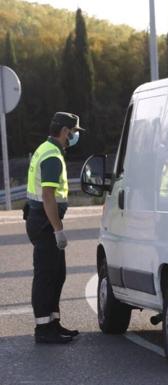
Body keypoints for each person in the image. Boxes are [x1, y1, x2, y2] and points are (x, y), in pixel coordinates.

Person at [24, 112, 84, 344]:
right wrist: (58, 230)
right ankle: (43, 329)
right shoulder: (52, 156)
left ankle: (53, 323)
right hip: (45, 222)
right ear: (65, 131)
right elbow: (48, 196)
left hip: (40, 219)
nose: (76, 136)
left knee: (57, 274)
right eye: (75, 132)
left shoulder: (46, 149)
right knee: (46, 276)